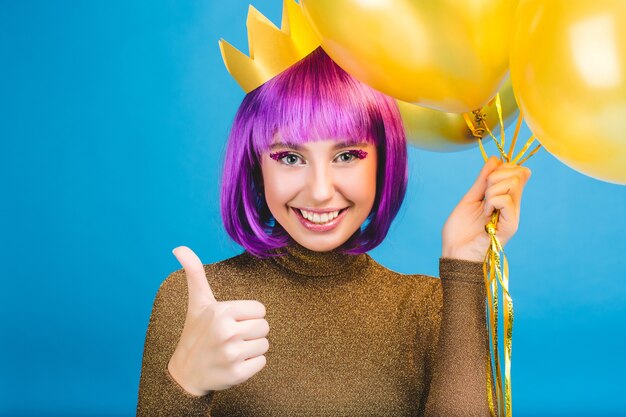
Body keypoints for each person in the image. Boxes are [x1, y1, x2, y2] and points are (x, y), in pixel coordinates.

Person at [136, 46, 531, 416]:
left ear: (383, 160)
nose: (321, 191)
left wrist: (464, 269)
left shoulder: (426, 308)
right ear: (256, 166)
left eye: (347, 156)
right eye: (290, 157)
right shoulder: (190, 303)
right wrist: (185, 384)